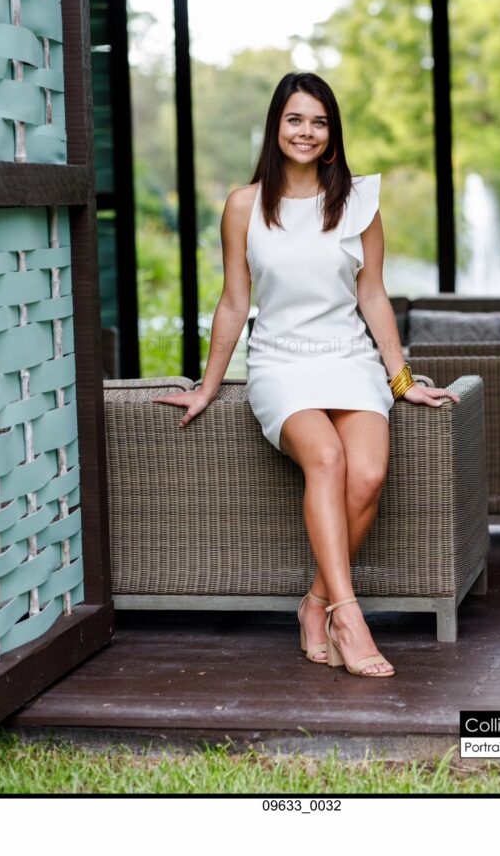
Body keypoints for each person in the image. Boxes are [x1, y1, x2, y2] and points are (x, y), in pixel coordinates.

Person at [154, 71, 460, 677]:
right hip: (281, 363)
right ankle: (349, 617)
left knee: (367, 474)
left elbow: (373, 296)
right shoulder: (243, 205)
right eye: (295, 119)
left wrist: (403, 381)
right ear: (276, 125)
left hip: (349, 358)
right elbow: (234, 302)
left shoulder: (360, 202)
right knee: (326, 457)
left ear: (332, 133)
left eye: (319, 122)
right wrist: (208, 385)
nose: (306, 131)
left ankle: (314, 604)